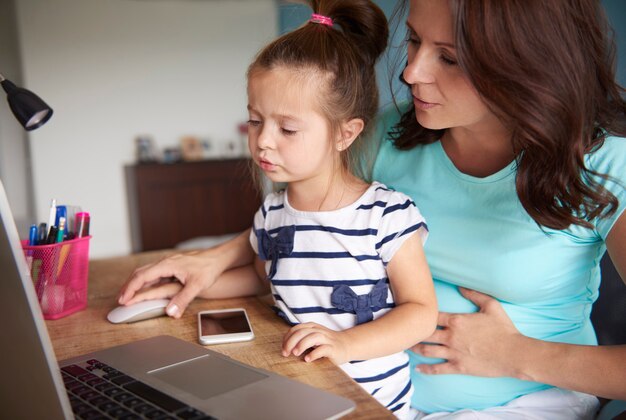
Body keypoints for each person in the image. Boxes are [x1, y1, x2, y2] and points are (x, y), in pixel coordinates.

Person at [119, 0, 626, 418]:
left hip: (523, 399)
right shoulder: (390, 134)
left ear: (526, 62)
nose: (410, 72)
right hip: (368, 396)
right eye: (413, 41)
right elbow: (310, 219)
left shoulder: (607, 167)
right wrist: (214, 260)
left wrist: (520, 356)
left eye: (447, 58)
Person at [121, 1, 437, 418]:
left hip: (374, 406)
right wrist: (179, 288)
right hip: (302, 392)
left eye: (287, 128)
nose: (264, 141)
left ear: (346, 133)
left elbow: (420, 313)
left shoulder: (386, 215)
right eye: (255, 121)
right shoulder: (273, 211)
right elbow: (258, 277)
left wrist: (345, 344)